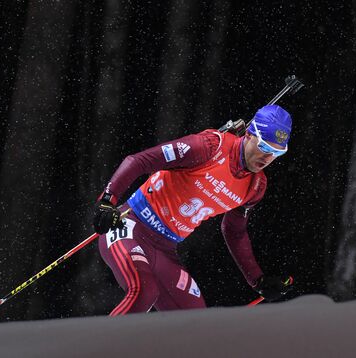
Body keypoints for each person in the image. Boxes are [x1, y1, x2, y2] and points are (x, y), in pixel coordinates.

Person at [93, 104, 293, 316]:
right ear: (250, 134)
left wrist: (258, 280)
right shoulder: (209, 147)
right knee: (145, 291)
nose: (268, 158)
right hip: (131, 225)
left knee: (195, 321)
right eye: (264, 147)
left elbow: (235, 232)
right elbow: (139, 161)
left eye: (277, 152)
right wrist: (107, 200)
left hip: (166, 249)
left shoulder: (256, 186)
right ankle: (96, 348)